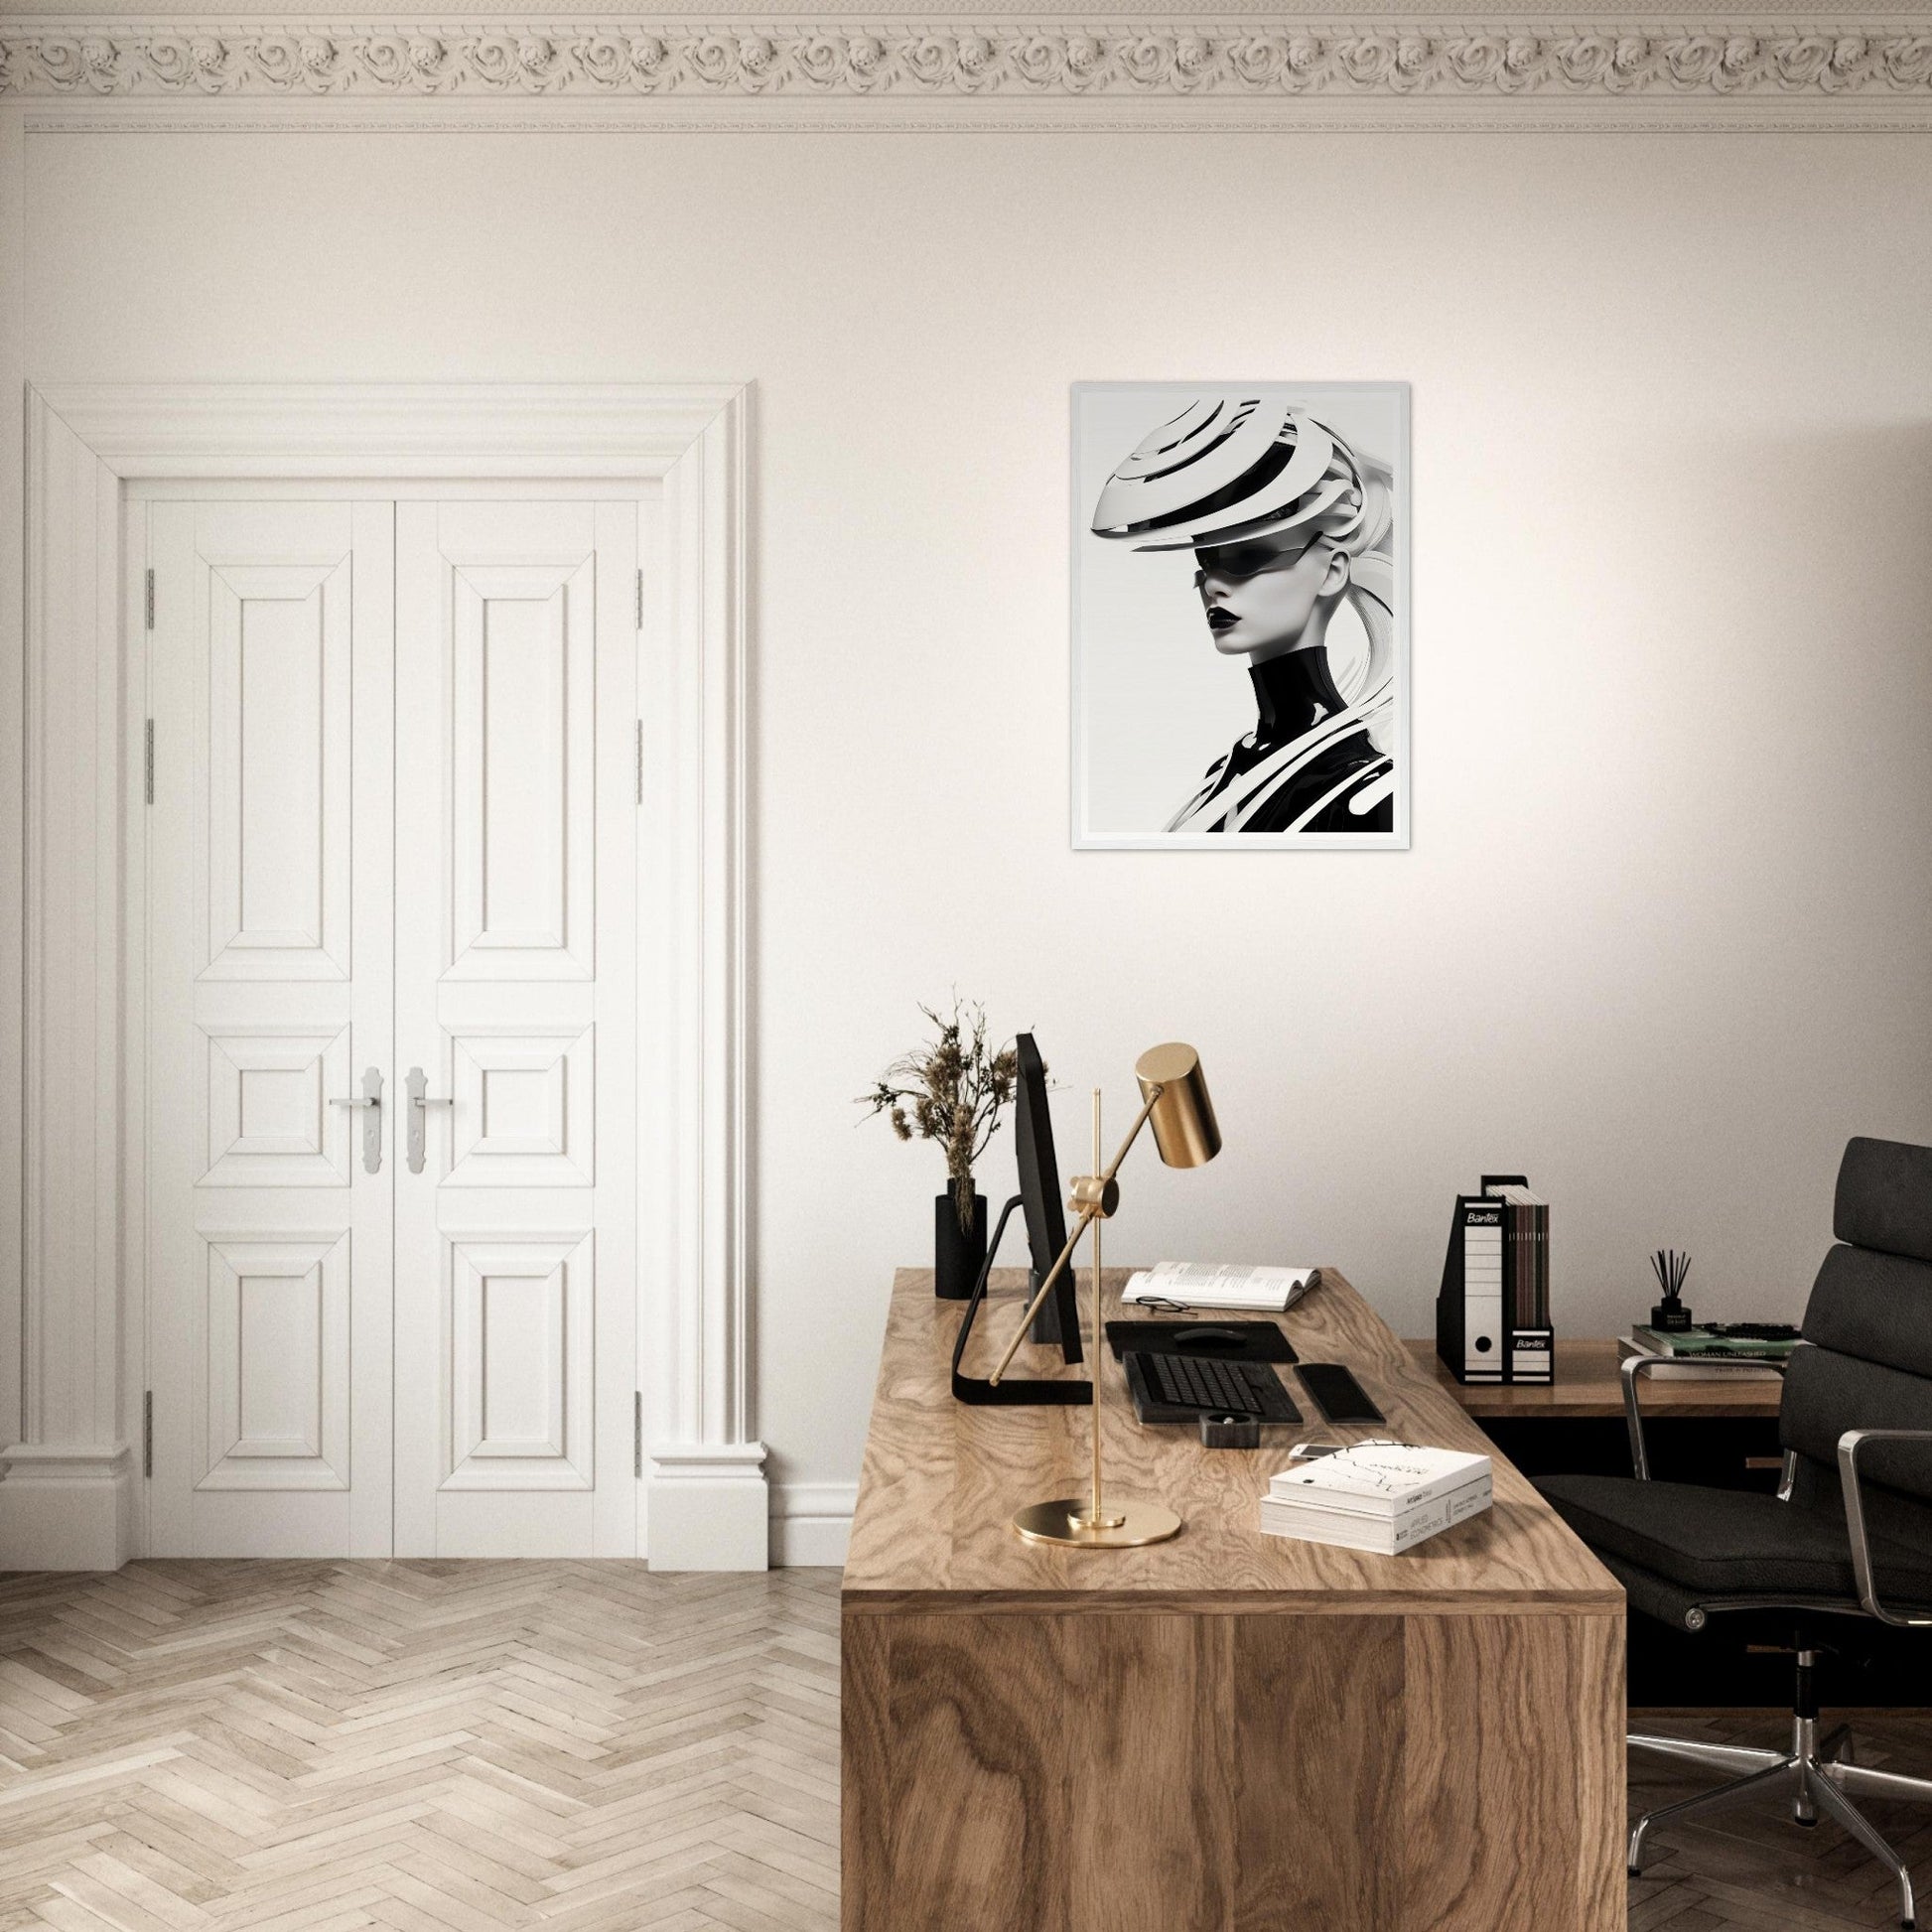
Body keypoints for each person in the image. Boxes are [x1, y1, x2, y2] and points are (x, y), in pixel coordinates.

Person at [1091, 394, 1398, 835]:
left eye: (1250, 558)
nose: (1213, 583)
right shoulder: (1225, 774)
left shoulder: (1362, 794)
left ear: (1332, 571)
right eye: (1207, 561)